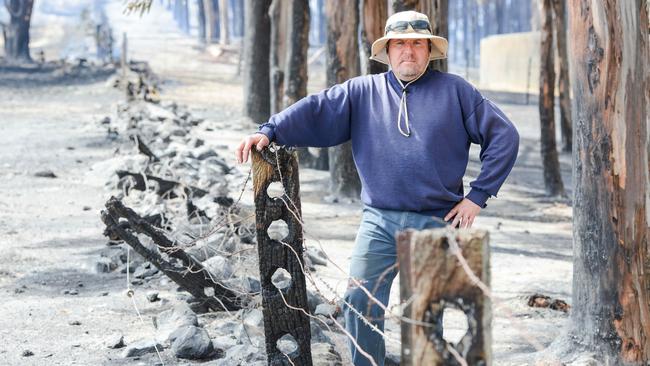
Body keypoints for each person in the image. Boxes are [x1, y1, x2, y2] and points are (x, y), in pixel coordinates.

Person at [235, 10, 519, 366]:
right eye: (400, 43)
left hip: (435, 220)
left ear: (430, 50)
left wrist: (477, 196)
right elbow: (317, 110)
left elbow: (504, 136)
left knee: (425, 316)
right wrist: (270, 130)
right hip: (378, 221)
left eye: (417, 43)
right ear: (387, 51)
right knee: (359, 301)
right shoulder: (361, 92)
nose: (409, 51)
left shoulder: (456, 91)